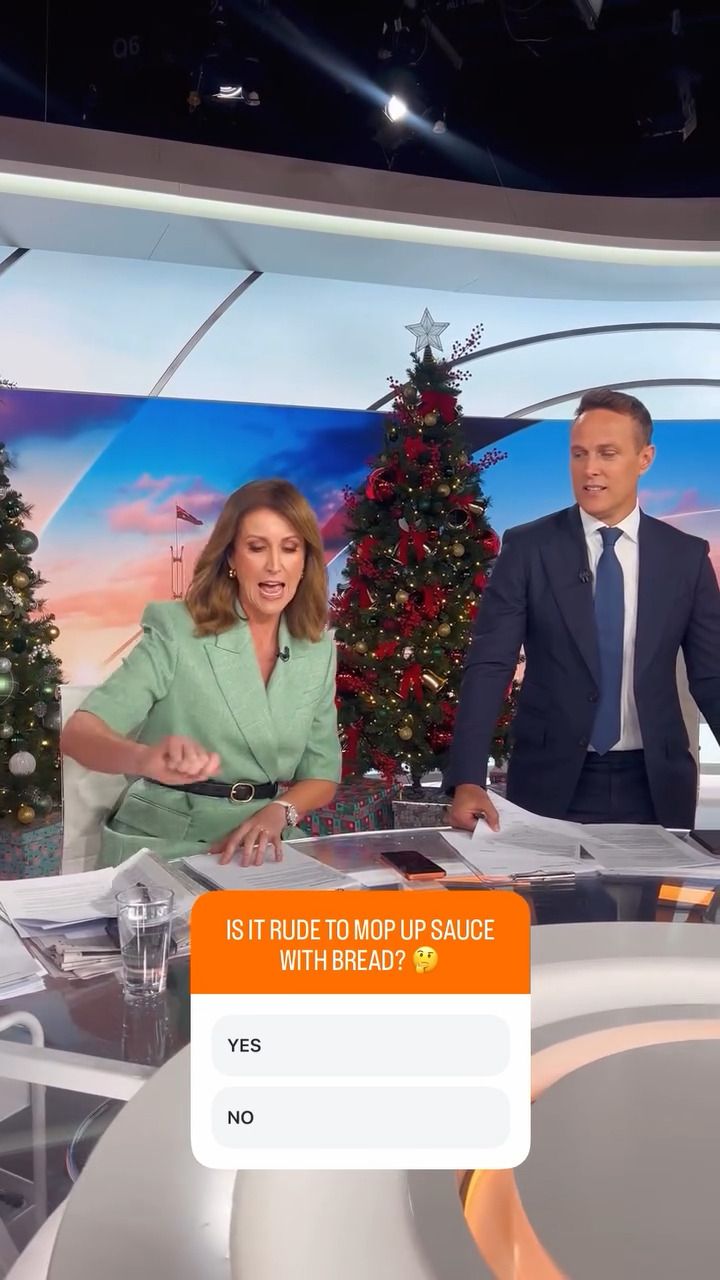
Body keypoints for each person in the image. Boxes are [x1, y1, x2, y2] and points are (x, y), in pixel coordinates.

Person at [446, 387, 720, 834]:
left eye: (607, 453)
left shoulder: (685, 557)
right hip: (550, 781)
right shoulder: (528, 547)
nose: (590, 469)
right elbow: (490, 664)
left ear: (645, 458)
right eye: (579, 454)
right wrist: (468, 778)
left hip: (656, 785)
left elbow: (711, 678)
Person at [61, 478, 341, 867]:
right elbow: (78, 735)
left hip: (261, 843)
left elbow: (322, 775)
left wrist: (281, 811)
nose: (275, 565)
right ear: (231, 558)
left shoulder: (317, 650)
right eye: (257, 547)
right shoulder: (177, 631)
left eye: (290, 548)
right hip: (164, 842)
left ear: (305, 561)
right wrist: (144, 758)